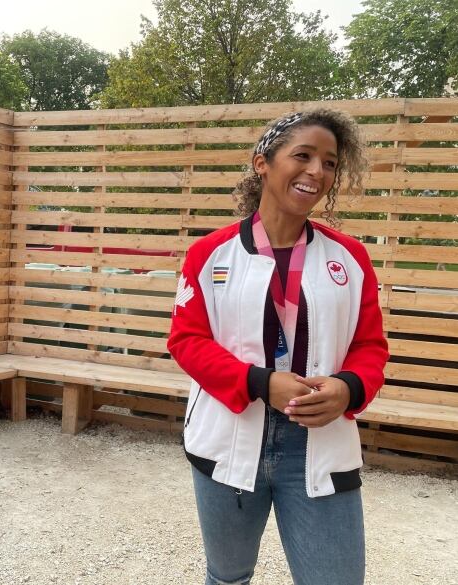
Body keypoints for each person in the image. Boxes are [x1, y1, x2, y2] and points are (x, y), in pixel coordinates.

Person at [168, 110, 389, 585]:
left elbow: (370, 346)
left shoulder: (350, 259)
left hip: (319, 441)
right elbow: (186, 340)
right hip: (228, 437)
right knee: (227, 576)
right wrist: (258, 381)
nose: (317, 171)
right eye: (303, 155)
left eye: (329, 163)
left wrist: (348, 389)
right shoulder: (210, 254)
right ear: (262, 163)